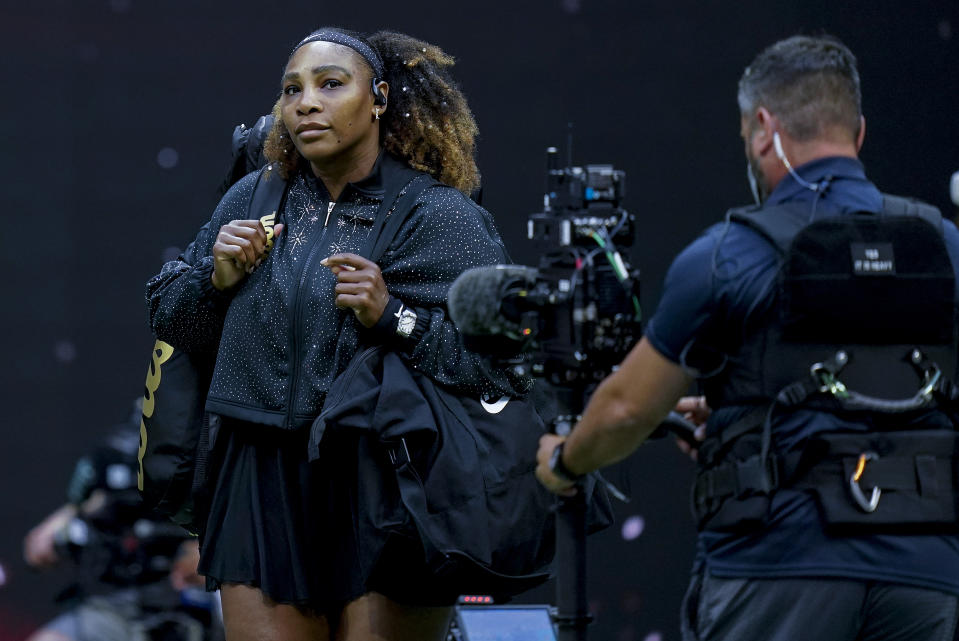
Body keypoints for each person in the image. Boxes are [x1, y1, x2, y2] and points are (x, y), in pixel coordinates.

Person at [536, 35, 959, 641]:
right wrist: (742, 414)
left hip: (779, 567)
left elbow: (628, 406)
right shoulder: (942, 244)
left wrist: (564, 458)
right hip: (926, 575)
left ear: (764, 128)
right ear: (858, 132)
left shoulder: (732, 253)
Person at [147, 28, 526, 641]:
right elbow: (172, 322)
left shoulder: (440, 217)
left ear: (378, 98)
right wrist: (215, 281)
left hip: (386, 480)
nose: (306, 103)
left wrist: (395, 315)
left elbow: (504, 366)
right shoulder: (252, 199)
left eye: (330, 84)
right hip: (258, 476)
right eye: (292, 89)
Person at [23, 403, 214, 641]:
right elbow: (37, 549)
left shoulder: (205, 483)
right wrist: (74, 525)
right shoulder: (104, 494)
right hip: (108, 609)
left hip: (179, 614)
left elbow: (224, 565)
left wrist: (194, 558)